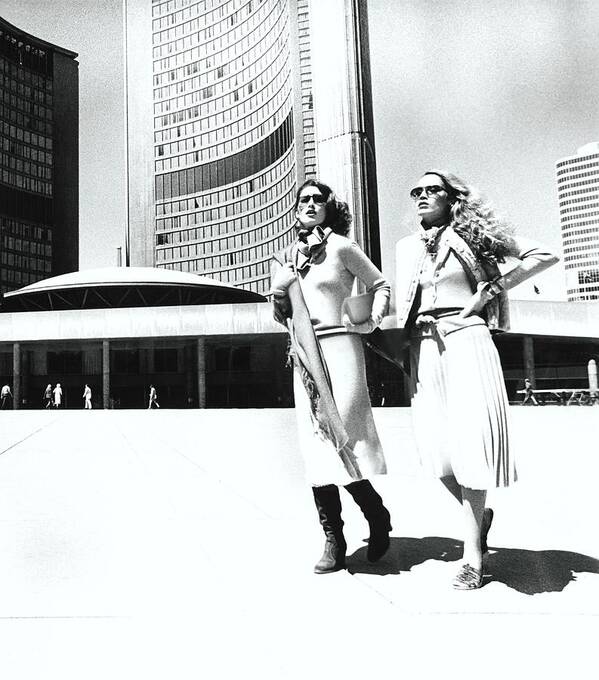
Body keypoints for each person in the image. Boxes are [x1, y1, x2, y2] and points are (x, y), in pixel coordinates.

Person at [395, 170, 558, 589]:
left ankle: (473, 555)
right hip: (425, 345)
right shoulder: (406, 246)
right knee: (437, 452)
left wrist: (491, 289)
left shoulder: (473, 235)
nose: (423, 196)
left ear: (453, 198)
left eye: (433, 190)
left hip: (467, 337)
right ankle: (479, 517)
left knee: (472, 444)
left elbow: (544, 254)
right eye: (418, 191)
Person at [270, 179, 392, 574]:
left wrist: (370, 322)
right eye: (303, 199)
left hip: (341, 348)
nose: (309, 204)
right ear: (296, 210)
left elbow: (380, 283)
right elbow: (283, 313)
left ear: (328, 207)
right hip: (305, 353)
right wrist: (278, 301)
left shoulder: (340, 246)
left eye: (317, 199)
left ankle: (375, 513)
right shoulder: (286, 257)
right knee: (315, 444)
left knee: (346, 437)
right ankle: (333, 537)